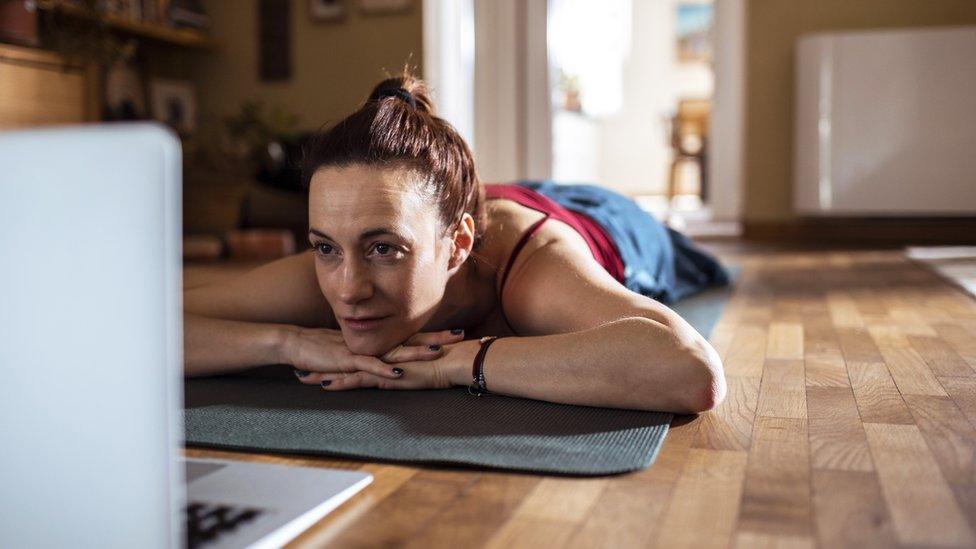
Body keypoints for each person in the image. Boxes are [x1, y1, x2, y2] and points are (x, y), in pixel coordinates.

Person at [184, 73, 731, 414]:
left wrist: (457, 362)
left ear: (457, 246)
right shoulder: (333, 269)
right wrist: (283, 344)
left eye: (383, 249)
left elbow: (690, 371)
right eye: (325, 246)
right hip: (474, 199)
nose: (348, 291)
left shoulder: (534, 273)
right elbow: (131, 324)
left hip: (605, 220)